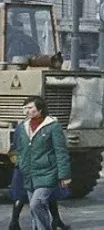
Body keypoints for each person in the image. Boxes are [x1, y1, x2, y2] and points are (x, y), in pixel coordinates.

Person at [13, 96, 71, 230]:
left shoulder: (53, 127)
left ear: (40, 109)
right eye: (25, 108)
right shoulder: (23, 126)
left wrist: (64, 175)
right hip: (28, 174)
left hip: (47, 172)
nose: (27, 111)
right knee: (36, 210)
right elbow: (19, 147)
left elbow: (61, 152)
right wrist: (21, 163)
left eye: (30, 107)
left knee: (36, 204)